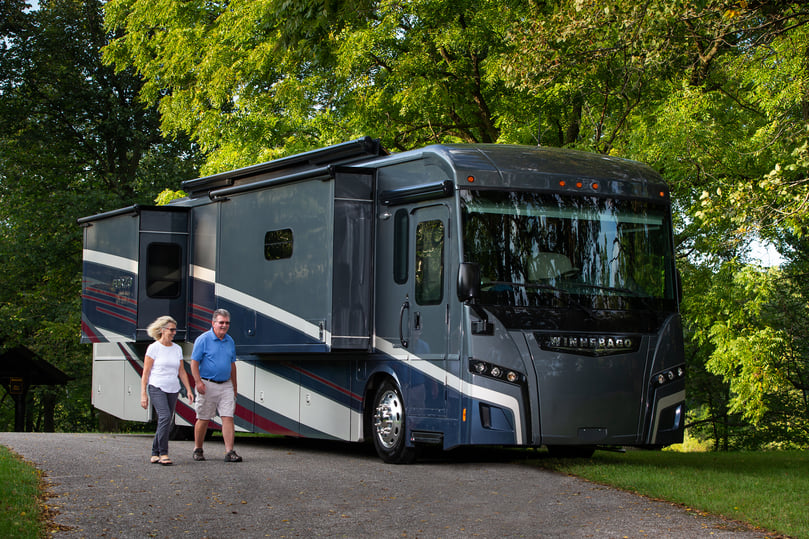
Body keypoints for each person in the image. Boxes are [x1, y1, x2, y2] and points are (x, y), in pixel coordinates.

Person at [140, 316, 194, 466]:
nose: (173, 332)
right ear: (162, 330)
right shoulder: (153, 348)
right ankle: (163, 453)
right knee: (164, 417)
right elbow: (146, 372)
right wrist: (143, 393)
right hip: (157, 386)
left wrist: (188, 389)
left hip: (173, 388)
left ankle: (154, 452)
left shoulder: (177, 349)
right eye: (171, 329)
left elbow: (182, 371)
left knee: (166, 420)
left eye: (174, 330)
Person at [190, 308, 242, 462]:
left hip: (226, 384)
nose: (224, 326)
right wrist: (198, 381)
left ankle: (229, 451)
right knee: (204, 418)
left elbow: (232, 365)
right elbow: (194, 362)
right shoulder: (203, 339)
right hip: (207, 383)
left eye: (227, 323)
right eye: (221, 322)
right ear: (213, 323)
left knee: (228, 417)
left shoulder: (230, 340)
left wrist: (234, 386)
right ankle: (198, 448)